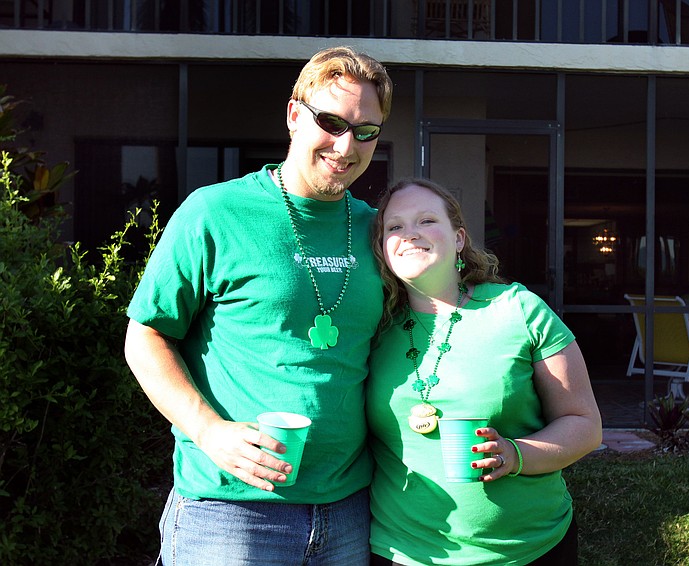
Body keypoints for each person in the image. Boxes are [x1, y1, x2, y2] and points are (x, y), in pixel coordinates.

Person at [124, 46, 392, 565]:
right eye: (332, 122)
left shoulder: (378, 229)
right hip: (229, 510)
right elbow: (145, 337)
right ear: (295, 115)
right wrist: (208, 431)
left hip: (350, 509)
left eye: (365, 131)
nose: (346, 145)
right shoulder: (215, 211)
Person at [367, 178, 603, 566]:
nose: (409, 234)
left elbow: (584, 424)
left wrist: (515, 453)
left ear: (459, 238)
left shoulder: (519, 309)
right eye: (394, 227)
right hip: (403, 551)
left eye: (426, 221)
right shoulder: (374, 325)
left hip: (530, 550)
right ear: (383, 248)